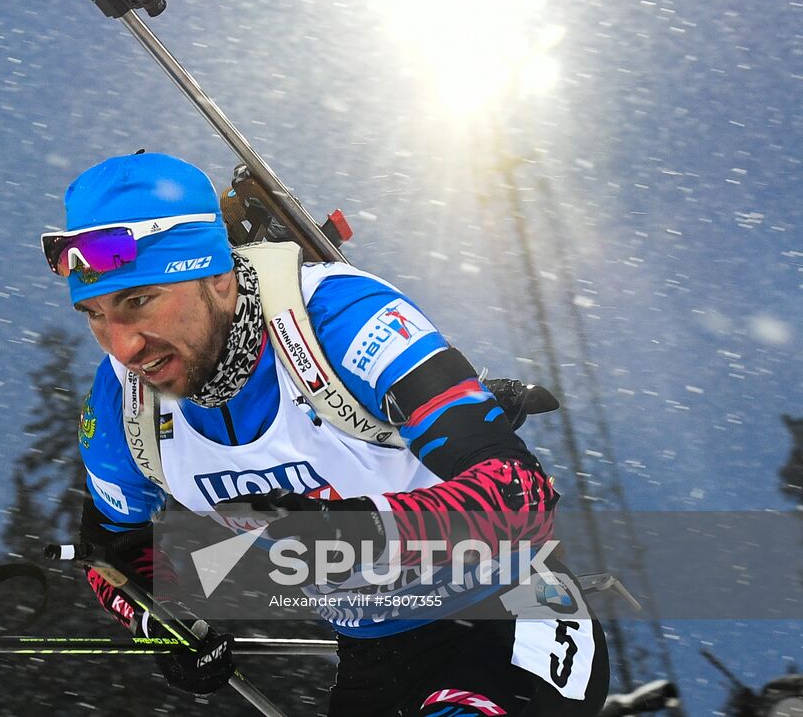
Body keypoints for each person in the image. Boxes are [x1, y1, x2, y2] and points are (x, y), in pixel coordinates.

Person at [41, 152, 610, 716]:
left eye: (138, 301)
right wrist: (162, 621)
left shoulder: (338, 318)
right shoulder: (123, 403)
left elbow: (520, 494)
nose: (123, 345)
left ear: (215, 275)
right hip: (376, 655)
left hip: (513, 611)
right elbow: (113, 548)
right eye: (94, 313)